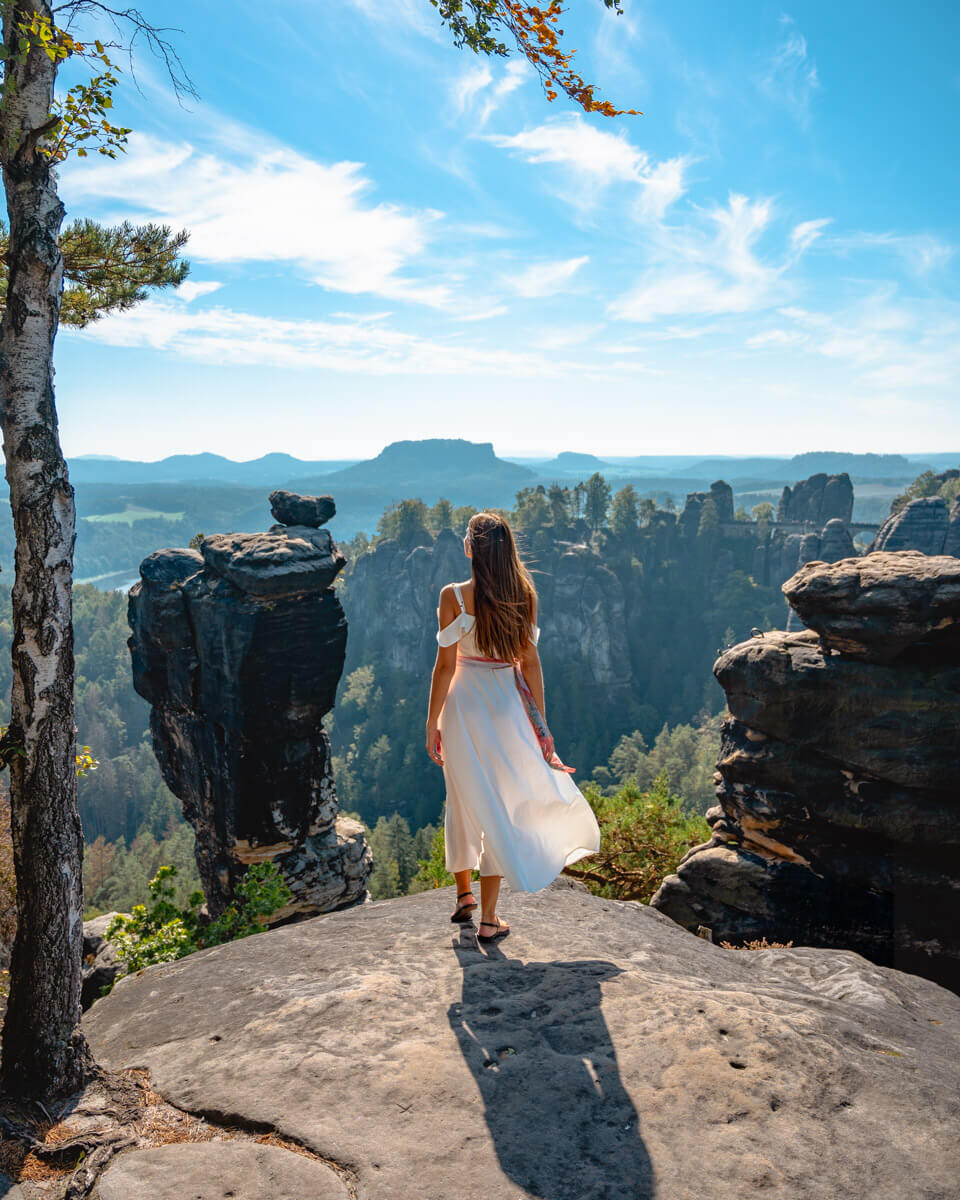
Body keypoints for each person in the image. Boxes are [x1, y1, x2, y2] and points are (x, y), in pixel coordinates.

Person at [425, 511, 601, 943]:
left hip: (463, 705)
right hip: (506, 706)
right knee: (498, 806)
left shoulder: (453, 596)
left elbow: (445, 667)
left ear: (472, 548)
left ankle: (464, 894)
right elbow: (531, 664)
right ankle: (488, 917)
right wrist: (539, 723)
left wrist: (432, 721)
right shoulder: (524, 595)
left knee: (462, 798)